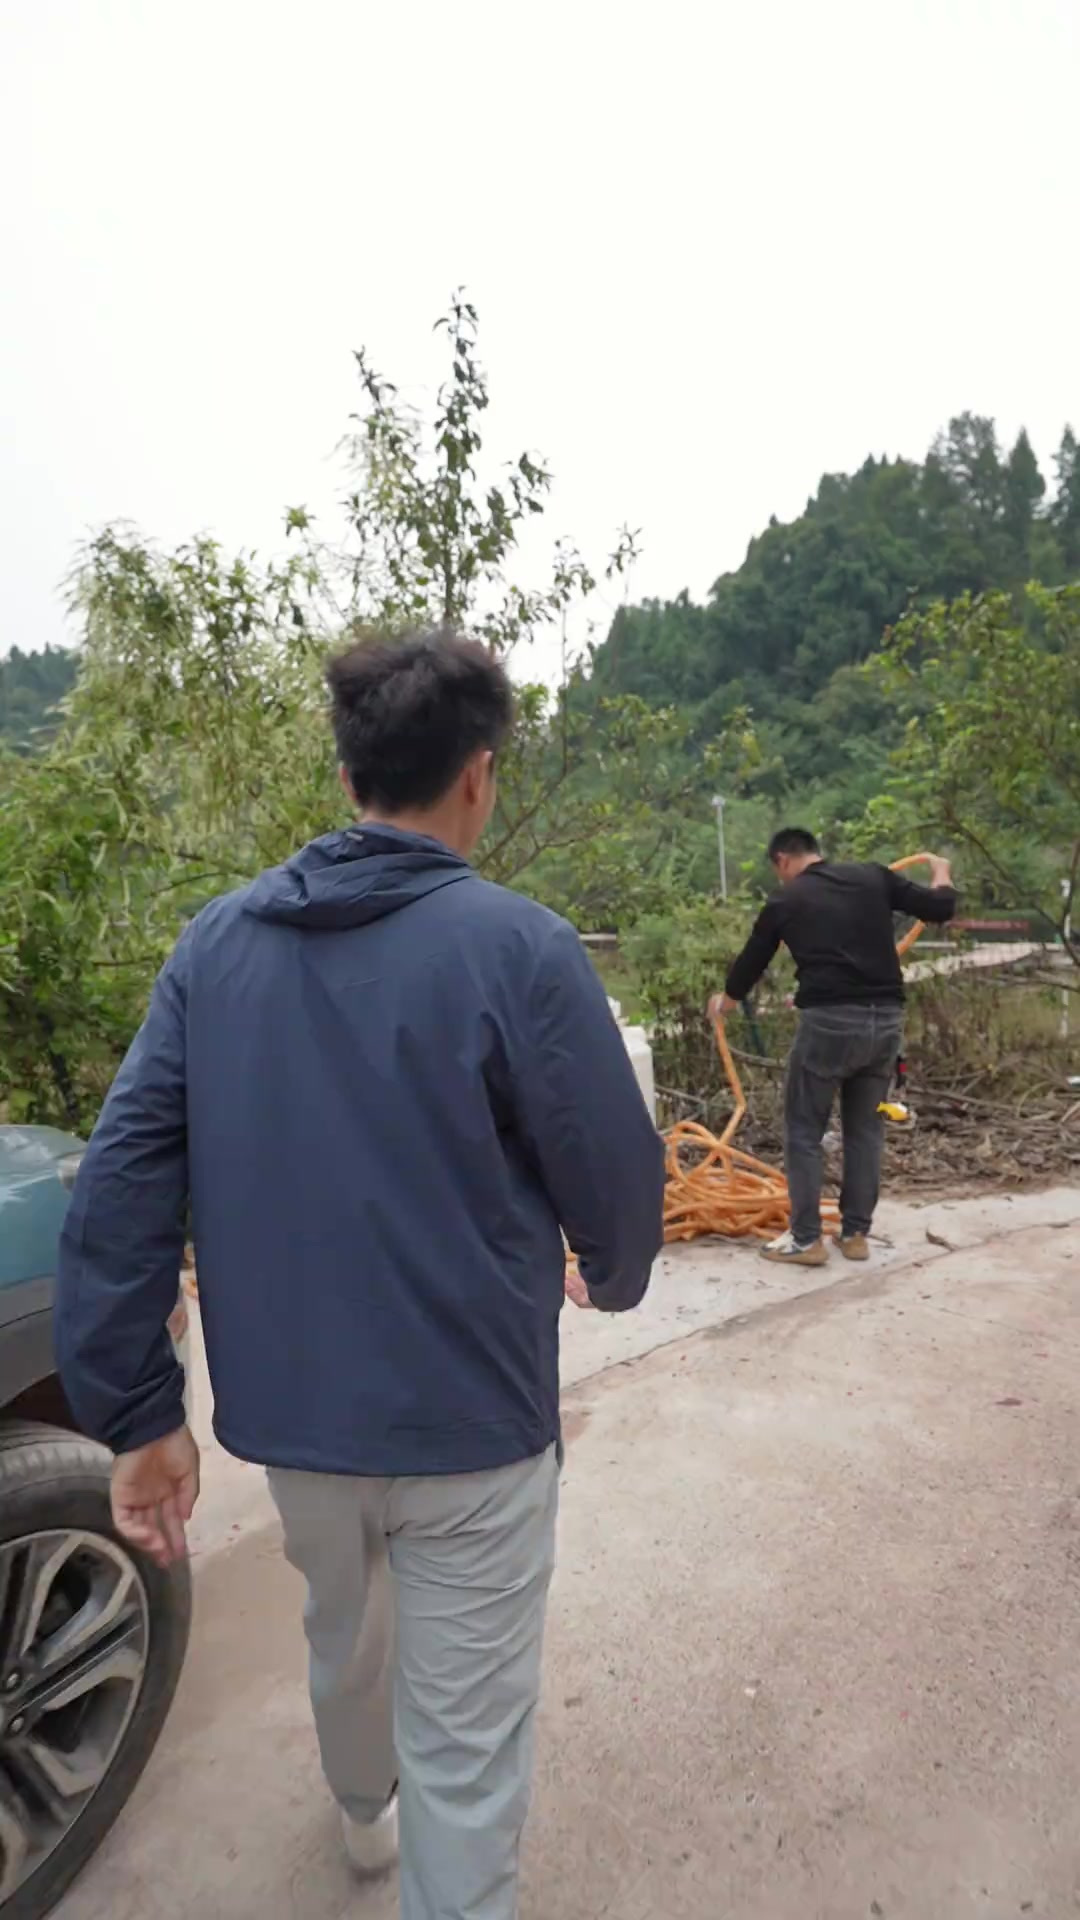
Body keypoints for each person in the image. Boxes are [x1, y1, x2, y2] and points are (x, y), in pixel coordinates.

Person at [55, 631, 664, 1920]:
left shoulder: (212, 951)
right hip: (477, 1430)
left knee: (344, 1637)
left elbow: (117, 1189)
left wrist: (138, 1413)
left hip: (301, 1432)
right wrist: (612, 1277)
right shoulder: (522, 948)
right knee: (470, 1745)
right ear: (481, 779)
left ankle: (359, 1818)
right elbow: (612, 1171)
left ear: (347, 780)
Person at [710, 827, 956, 1266]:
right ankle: (855, 1235)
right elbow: (940, 907)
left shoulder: (787, 900)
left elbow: (752, 962)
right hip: (886, 1022)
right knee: (865, 1129)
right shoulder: (873, 877)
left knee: (804, 1131)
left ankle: (806, 1240)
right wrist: (941, 870)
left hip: (829, 1025)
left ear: (783, 859)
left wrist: (725, 1002)